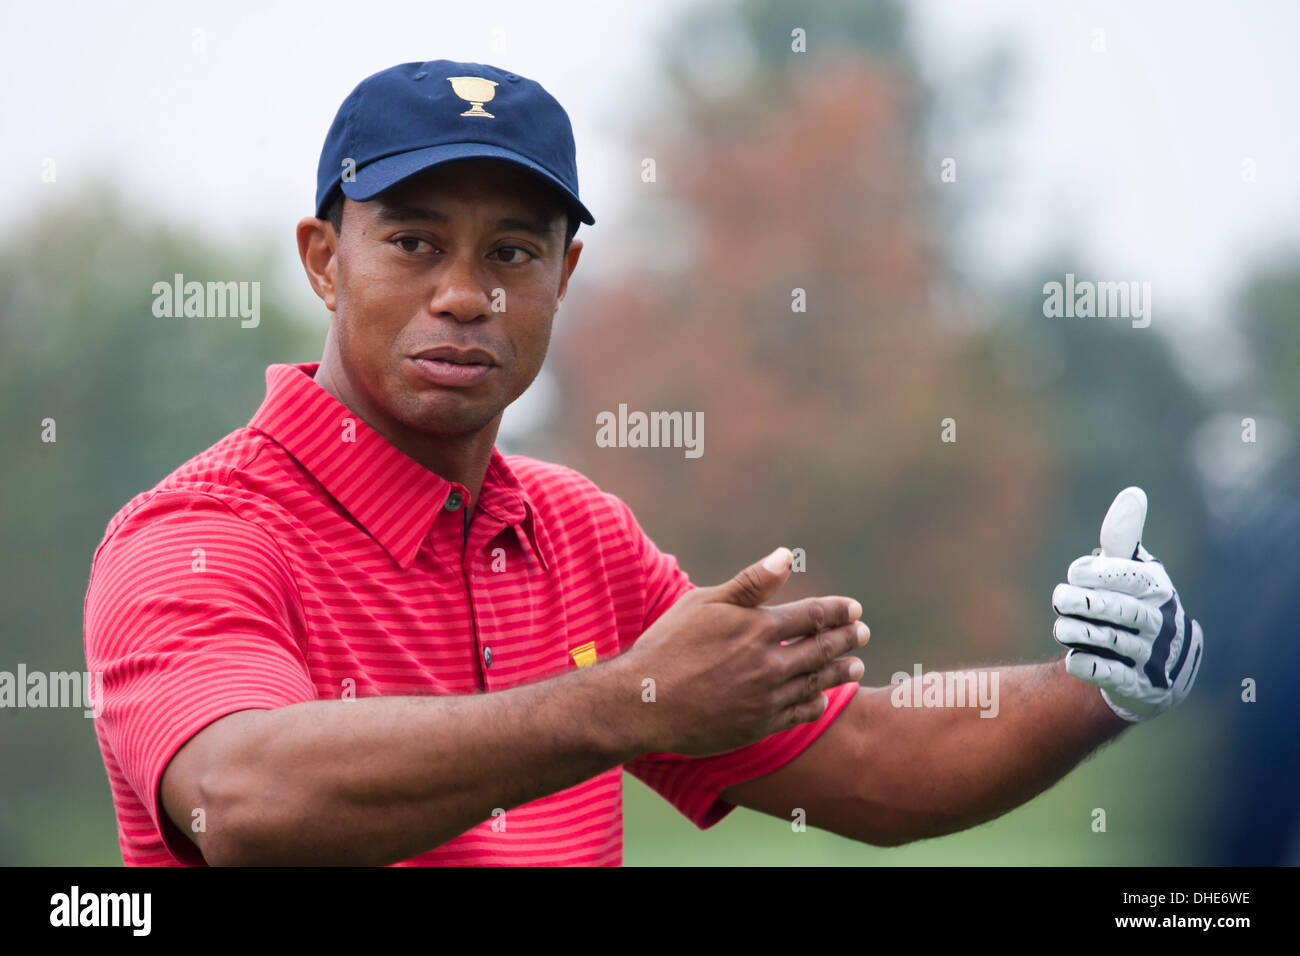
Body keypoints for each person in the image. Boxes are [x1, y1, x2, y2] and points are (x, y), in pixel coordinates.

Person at [83, 59, 1205, 866]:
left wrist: (1098, 686)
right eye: (414, 240)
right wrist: (625, 701)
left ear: (564, 277)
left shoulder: (577, 532)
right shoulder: (195, 533)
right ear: (324, 260)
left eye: (513, 251)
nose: (466, 293)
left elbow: (870, 764)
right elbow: (242, 798)